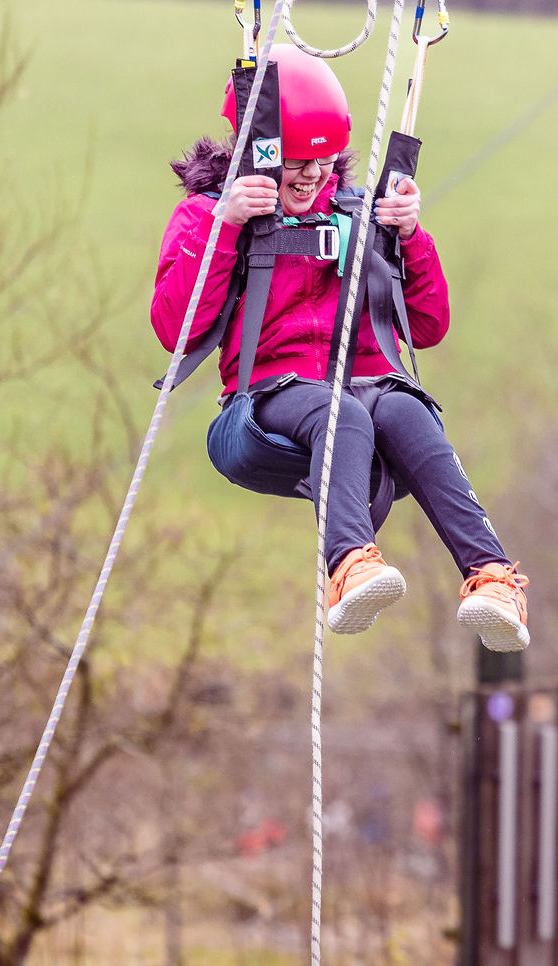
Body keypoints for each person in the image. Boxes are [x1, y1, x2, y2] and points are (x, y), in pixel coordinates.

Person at [151, 48, 530, 651]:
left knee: (408, 410)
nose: (309, 179)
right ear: (260, 153)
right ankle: (350, 562)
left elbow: (427, 327)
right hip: (268, 399)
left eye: (323, 166)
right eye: (297, 163)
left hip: (365, 385)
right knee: (340, 412)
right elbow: (177, 330)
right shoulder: (208, 216)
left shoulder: (357, 216)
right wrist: (224, 226)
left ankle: (492, 576)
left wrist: (409, 236)